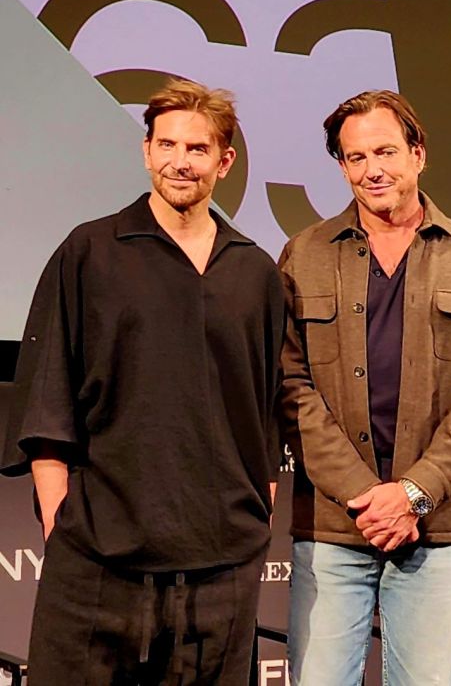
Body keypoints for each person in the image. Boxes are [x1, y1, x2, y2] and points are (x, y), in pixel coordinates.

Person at [0, 78, 285, 685]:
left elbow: (264, 414)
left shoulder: (255, 271)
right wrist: (60, 523)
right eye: (168, 145)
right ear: (146, 150)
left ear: (224, 161)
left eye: (198, 148)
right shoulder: (90, 251)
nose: (181, 161)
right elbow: (47, 395)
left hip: (221, 571)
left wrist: (257, 515)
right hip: (98, 563)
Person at [277, 90, 451, 686]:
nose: (372, 170)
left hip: (435, 527)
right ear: (342, 167)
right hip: (334, 524)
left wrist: (412, 494)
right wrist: (365, 495)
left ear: (418, 154)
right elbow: (290, 384)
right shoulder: (303, 255)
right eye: (356, 158)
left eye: (385, 152)